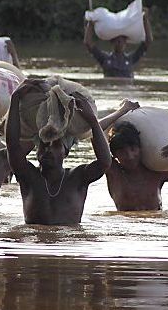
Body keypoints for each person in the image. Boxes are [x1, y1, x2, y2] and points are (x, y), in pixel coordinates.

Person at [6, 79, 112, 224]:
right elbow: (13, 146)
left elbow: (105, 162)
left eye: (56, 145)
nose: (48, 149)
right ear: (36, 150)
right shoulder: (28, 176)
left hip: (69, 245)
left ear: (66, 152)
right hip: (35, 245)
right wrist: (15, 99)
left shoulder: (78, 177)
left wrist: (93, 121)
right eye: (43, 145)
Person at [83, 7, 153, 78]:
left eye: (122, 40)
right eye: (117, 40)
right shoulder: (104, 58)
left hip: (127, 87)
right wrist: (90, 23)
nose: (119, 43)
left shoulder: (131, 59)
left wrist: (145, 19)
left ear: (126, 43)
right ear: (112, 42)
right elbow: (88, 43)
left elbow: (148, 41)